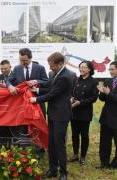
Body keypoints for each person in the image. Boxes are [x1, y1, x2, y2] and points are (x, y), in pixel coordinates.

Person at [30, 52, 73, 180]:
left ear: (60, 64)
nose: (50, 68)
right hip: (53, 114)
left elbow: (52, 94)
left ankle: (63, 172)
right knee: (51, 142)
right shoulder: (55, 74)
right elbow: (49, 87)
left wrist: (35, 100)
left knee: (59, 143)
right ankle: (53, 169)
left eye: (52, 65)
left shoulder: (65, 76)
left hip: (61, 115)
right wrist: (36, 91)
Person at [7, 48, 48, 145]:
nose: (22, 62)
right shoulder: (17, 68)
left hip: (37, 102)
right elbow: (8, 80)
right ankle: (24, 146)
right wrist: (10, 86)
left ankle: (39, 146)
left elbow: (46, 81)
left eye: (24, 60)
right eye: (21, 60)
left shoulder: (40, 68)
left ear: (30, 58)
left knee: (37, 125)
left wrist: (37, 81)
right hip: (22, 103)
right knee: (23, 125)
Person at [69, 61, 98, 165]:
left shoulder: (94, 82)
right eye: (80, 67)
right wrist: (72, 98)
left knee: (84, 136)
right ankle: (75, 154)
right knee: (74, 135)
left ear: (89, 69)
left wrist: (80, 102)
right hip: (74, 111)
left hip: (85, 113)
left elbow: (94, 98)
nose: (81, 69)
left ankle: (82, 157)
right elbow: (71, 92)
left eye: (84, 67)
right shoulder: (76, 79)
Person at [97, 61, 117, 169]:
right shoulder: (108, 81)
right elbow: (102, 99)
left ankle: (115, 164)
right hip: (106, 117)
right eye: (109, 69)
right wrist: (102, 92)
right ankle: (104, 163)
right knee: (104, 142)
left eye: (112, 69)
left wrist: (110, 93)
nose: (110, 71)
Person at [0, 60, 13, 146]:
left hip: (13, 107)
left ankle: (14, 148)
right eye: (1, 69)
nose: (3, 70)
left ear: (10, 67)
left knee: (13, 129)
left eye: (5, 68)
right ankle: (3, 148)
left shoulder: (16, 75)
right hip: (2, 108)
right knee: (2, 129)